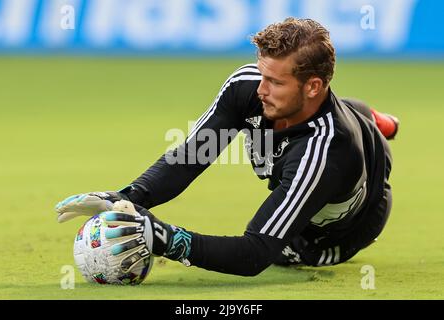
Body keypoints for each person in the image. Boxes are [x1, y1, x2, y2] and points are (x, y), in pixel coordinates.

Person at [56, 18, 398, 276]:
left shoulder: (324, 154)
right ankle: (374, 119)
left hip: (345, 227)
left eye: (275, 82)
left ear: (312, 86)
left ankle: (373, 127)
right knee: (354, 113)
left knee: (287, 256)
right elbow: (191, 156)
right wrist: (129, 196)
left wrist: (166, 238)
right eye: (262, 74)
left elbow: (255, 252)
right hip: (337, 129)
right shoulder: (249, 88)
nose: (260, 89)